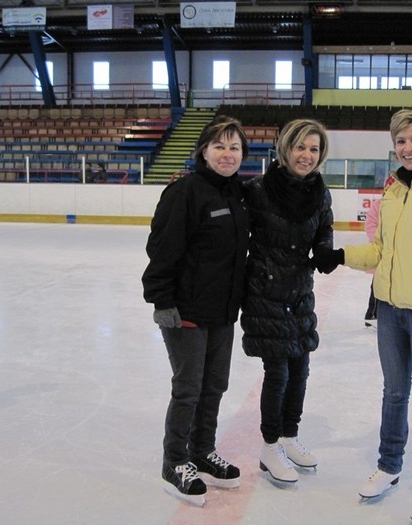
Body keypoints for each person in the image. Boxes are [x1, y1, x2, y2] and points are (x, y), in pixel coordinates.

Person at [311, 108, 412, 522]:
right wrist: (341, 256)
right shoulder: (395, 191)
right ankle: (389, 466)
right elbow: (381, 252)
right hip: (390, 310)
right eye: (401, 141)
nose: (408, 148)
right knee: (394, 393)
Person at [141, 116, 250, 506]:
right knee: (188, 389)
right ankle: (175, 461)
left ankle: (202, 451)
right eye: (219, 146)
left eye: (234, 147)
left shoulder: (238, 194)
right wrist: (161, 301)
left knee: (215, 385)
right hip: (185, 309)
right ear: (203, 151)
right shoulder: (184, 192)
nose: (227, 154)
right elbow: (162, 248)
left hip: (223, 311)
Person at [240, 118, 333, 485]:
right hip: (266, 293)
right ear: (285, 148)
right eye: (300, 147)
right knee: (277, 371)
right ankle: (269, 446)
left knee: (300, 368)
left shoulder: (320, 192)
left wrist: (324, 251)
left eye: (313, 149)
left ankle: (288, 436)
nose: (306, 155)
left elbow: (324, 230)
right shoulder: (258, 190)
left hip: (300, 292)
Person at [363, 175, 394, 328]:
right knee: (377, 285)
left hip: (397, 255)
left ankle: (390, 317)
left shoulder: (404, 206)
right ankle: (372, 315)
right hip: (380, 253)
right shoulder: (378, 206)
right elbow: (370, 226)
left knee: (393, 286)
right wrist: (381, 241)